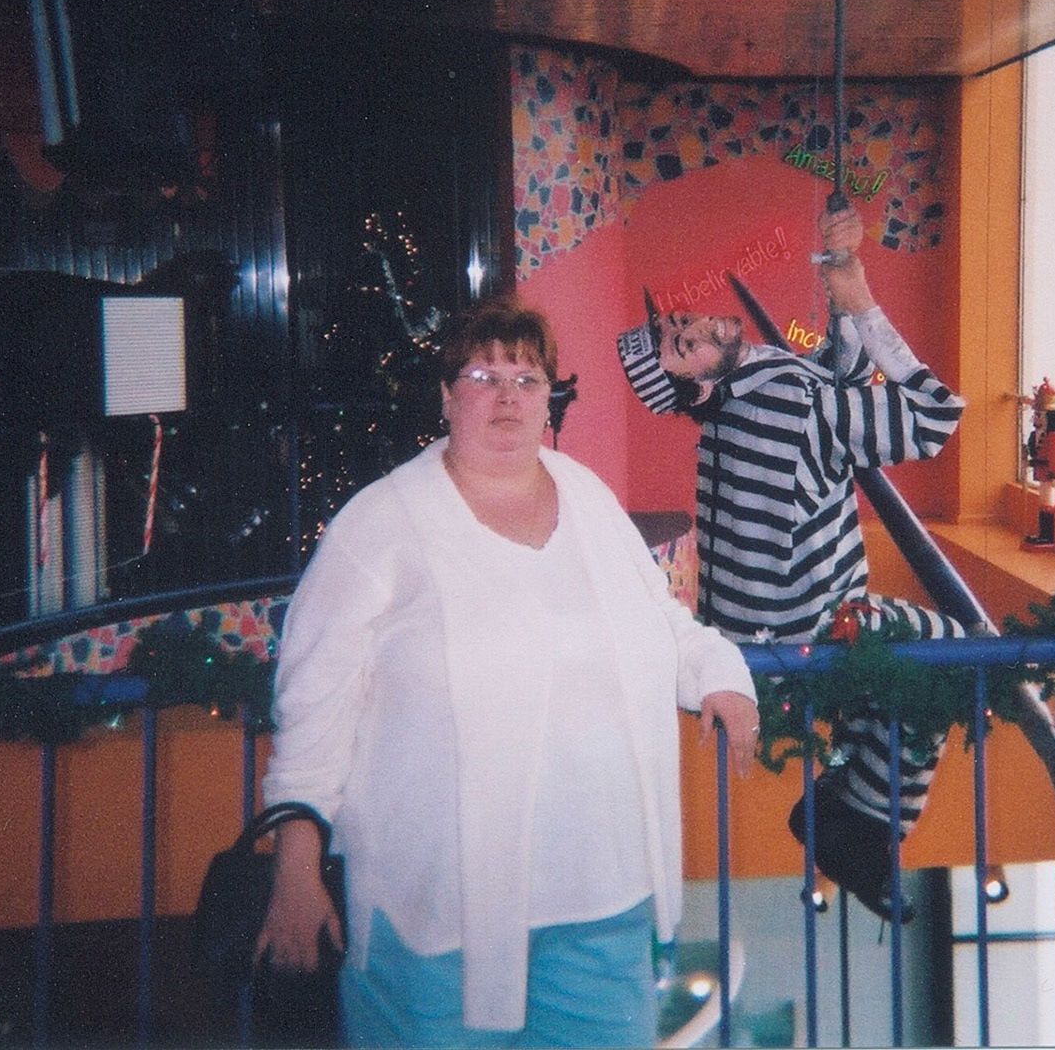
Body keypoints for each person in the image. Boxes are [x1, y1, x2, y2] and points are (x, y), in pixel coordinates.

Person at [256, 298, 761, 1047]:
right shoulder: (380, 524)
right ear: (445, 396)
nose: (507, 398)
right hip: (436, 918)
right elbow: (314, 712)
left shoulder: (587, 497)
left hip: (602, 901)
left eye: (527, 380)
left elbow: (662, 621)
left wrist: (719, 673)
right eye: (483, 377)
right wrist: (295, 872)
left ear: (549, 397)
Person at [616, 204, 977, 919]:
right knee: (948, 654)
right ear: (697, 387)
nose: (693, 327)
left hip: (756, 646)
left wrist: (838, 277)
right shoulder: (784, 405)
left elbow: (835, 373)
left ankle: (853, 822)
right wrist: (862, 302)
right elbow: (935, 417)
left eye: (679, 323)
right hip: (812, 635)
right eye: (681, 345)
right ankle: (857, 829)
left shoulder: (743, 400)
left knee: (898, 678)